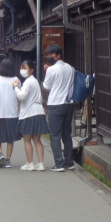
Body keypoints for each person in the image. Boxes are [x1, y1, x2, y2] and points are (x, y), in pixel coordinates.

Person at [42, 44, 75, 172]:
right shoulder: (70, 68)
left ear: (58, 55)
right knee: (67, 134)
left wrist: (46, 71)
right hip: (69, 104)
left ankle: (59, 164)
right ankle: (69, 162)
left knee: (55, 135)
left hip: (56, 104)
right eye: (48, 55)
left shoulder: (51, 70)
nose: (49, 57)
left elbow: (46, 86)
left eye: (51, 55)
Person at [13, 60, 48, 171]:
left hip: (29, 113)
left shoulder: (28, 82)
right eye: (22, 67)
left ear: (31, 70)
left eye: (25, 67)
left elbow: (21, 96)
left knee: (27, 140)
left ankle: (30, 163)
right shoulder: (35, 81)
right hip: (38, 112)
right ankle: (40, 164)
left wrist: (15, 87)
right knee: (37, 140)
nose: (22, 70)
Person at [0, 58, 22, 168]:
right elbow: (19, 95)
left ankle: (0, 154)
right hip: (12, 112)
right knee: (10, 138)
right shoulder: (16, 79)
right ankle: (8, 160)